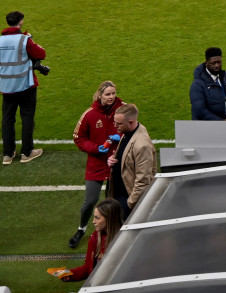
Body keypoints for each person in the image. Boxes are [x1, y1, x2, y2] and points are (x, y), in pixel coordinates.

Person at [70, 81, 122, 248]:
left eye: (113, 93)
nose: (111, 97)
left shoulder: (122, 109)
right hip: (97, 162)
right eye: (107, 94)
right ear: (99, 95)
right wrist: (96, 148)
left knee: (112, 200)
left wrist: (120, 137)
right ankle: (81, 228)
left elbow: (132, 128)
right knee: (90, 200)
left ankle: (111, 231)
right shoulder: (90, 114)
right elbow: (78, 138)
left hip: (116, 161)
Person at [0, 10, 46, 164]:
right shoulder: (24, 40)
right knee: (27, 117)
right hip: (25, 85)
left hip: (6, 86)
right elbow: (41, 54)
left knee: (8, 119)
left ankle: (7, 154)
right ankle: (27, 152)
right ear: (20, 22)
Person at [53, 200, 122, 283]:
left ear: (109, 219)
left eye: (97, 218)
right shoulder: (95, 237)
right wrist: (69, 274)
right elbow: (88, 268)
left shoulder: (123, 241)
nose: (93, 221)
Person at [107, 103, 156, 214]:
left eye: (118, 123)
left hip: (127, 199)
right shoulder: (128, 131)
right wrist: (113, 160)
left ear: (131, 122)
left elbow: (143, 181)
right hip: (119, 194)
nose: (115, 126)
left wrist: (129, 205)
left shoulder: (142, 145)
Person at [190, 47, 226, 121]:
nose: (216, 65)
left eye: (219, 62)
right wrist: (220, 122)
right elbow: (199, 110)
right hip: (205, 127)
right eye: (213, 63)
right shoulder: (198, 84)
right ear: (206, 63)